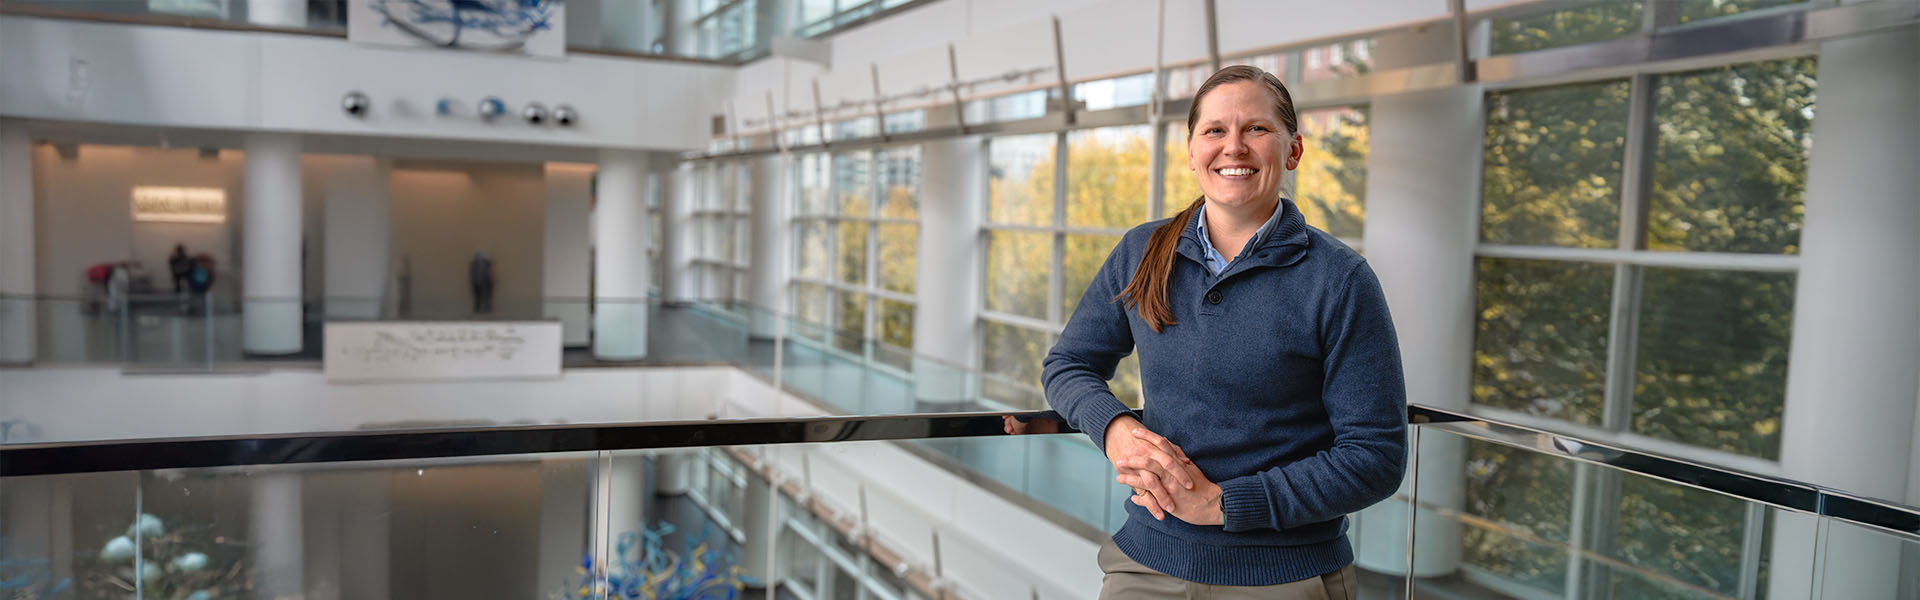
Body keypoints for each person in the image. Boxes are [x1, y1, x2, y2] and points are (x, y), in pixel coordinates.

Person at [1007, 65, 1406, 598]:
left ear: (1293, 152)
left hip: (1287, 577)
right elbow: (1068, 365)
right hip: (1145, 562)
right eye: (1215, 131)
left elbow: (1374, 457)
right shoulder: (1142, 252)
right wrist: (1115, 429)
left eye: (1257, 130)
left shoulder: (1340, 279)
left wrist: (1224, 504)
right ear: (1191, 150)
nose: (1234, 148)